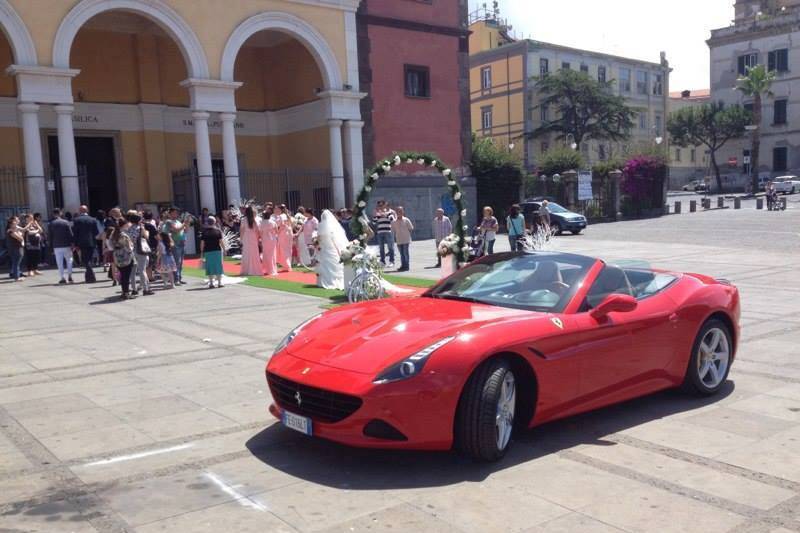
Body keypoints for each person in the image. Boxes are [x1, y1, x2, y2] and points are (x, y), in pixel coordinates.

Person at [315, 209, 348, 289]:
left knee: (325, 263)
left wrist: (316, 242)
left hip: (324, 247)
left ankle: (326, 281)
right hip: (331, 246)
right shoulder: (332, 226)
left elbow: (319, 237)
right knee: (332, 263)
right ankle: (335, 279)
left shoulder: (321, 225)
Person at [72, 205, 99, 283]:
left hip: (81, 242)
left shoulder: (76, 220)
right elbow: (96, 232)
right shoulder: (93, 219)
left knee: (85, 260)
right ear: (87, 211)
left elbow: (75, 233)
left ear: (80, 211)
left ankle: (91, 277)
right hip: (91, 242)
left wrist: (75, 243)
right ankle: (89, 277)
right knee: (89, 259)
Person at [49, 208, 75, 284]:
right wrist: (72, 243)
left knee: (59, 262)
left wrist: (51, 247)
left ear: (53, 214)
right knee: (69, 260)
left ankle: (62, 277)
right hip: (66, 244)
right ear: (60, 213)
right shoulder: (65, 222)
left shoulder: (51, 223)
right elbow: (70, 234)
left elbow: (50, 236)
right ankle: (70, 276)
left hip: (56, 245)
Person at [162, 207, 188, 284]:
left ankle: (179, 278)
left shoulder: (178, 221)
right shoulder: (168, 222)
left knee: (180, 262)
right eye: (175, 212)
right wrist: (184, 223)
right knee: (176, 262)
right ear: (170, 214)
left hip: (181, 243)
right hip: (175, 243)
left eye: (177, 212)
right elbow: (176, 230)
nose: (176, 214)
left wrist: (187, 223)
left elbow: (185, 230)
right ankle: (176, 279)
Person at [111, 222, 135, 299]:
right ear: (123, 225)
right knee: (126, 276)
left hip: (117, 256)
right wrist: (132, 246)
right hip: (126, 257)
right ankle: (126, 293)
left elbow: (110, 245)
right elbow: (129, 248)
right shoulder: (123, 235)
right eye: (127, 225)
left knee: (122, 274)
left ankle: (124, 292)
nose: (128, 226)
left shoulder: (114, 235)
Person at [200, 216, 224, 289]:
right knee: (218, 266)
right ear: (214, 222)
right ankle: (219, 283)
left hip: (208, 251)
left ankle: (211, 283)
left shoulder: (204, 232)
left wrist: (201, 252)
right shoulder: (218, 231)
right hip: (217, 250)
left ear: (207, 222)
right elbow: (221, 242)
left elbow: (202, 243)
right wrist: (225, 249)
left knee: (210, 267)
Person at [239, 205, 262, 276]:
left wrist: (241, 239)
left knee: (246, 253)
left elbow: (242, 230)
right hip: (253, 237)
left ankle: (246, 270)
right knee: (254, 253)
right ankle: (254, 269)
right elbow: (258, 230)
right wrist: (258, 238)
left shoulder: (243, 219)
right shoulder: (254, 220)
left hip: (246, 237)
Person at [373, 200, 396, 267]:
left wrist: (385, 215)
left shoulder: (389, 212)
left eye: (381, 205)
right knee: (381, 248)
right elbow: (374, 222)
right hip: (380, 232)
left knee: (390, 247)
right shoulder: (378, 214)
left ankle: (392, 261)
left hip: (388, 231)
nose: (380, 207)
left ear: (384, 205)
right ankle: (382, 261)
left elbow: (392, 220)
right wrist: (375, 215)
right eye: (379, 205)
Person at [391, 206, 414, 272]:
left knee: (405, 253)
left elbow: (411, 228)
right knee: (401, 254)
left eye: (400, 211)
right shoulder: (394, 221)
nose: (399, 212)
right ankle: (403, 265)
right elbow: (392, 230)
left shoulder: (406, 220)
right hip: (399, 240)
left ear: (403, 212)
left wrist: (407, 235)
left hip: (406, 239)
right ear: (396, 212)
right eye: (398, 211)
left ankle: (406, 266)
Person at [260, 205, 278, 276]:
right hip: (272, 239)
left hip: (265, 239)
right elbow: (276, 230)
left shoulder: (262, 223)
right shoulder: (272, 222)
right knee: (272, 254)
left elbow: (260, 232)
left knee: (266, 254)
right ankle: (272, 269)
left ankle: (268, 269)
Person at [275, 204, 293, 272]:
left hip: (283, 233)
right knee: (288, 249)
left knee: (283, 249)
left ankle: (287, 265)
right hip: (289, 232)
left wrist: (277, 231)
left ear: (280, 209)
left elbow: (281, 224)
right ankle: (287, 265)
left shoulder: (281, 216)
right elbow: (291, 223)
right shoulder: (287, 215)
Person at [5, 215, 24, 281]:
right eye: (14, 222)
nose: (16, 224)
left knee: (15, 262)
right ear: (11, 224)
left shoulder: (11, 230)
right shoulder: (11, 231)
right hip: (16, 248)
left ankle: (16, 275)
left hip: (14, 248)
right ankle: (16, 277)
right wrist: (20, 235)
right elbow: (20, 239)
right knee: (16, 263)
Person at [142, 211, 159, 282]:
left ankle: (147, 276)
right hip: (151, 245)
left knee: (145, 261)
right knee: (150, 262)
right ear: (151, 217)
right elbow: (156, 236)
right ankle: (150, 276)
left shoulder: (141, 225)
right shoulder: (151, 226)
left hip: (142, 245)